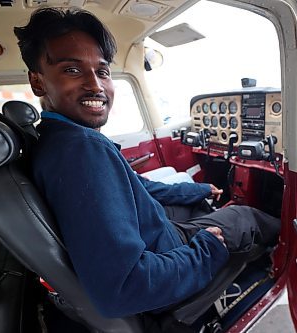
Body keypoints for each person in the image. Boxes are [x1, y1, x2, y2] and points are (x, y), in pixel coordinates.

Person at [14, 7, 280, 320]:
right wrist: (207, 248)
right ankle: (286, 259)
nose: (96, 86)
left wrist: (193, 191)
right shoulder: (82, 150)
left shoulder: (56, 138)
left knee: (196, 204)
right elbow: (125, 287)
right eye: (72, 70)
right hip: (164, 269)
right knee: (244, 215)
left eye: (102, 71)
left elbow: (134, 186)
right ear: (38, 82)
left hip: (155, 239)